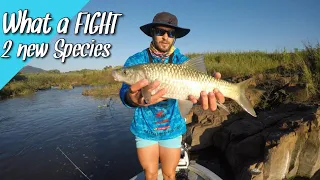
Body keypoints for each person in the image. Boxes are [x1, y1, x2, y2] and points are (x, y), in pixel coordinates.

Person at [119, 12, 225, 180]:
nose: (165, 37)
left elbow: (192, 96)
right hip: (144, 128)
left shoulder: (182, 60)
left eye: (171, 33)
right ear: (152, 33)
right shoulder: (136, 61)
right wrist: (134, 99)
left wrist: (205, 93)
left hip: (173, 128)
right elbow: (124, 92)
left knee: (170, 174)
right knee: (151, 174)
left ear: (175, 37)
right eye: (160, 32)